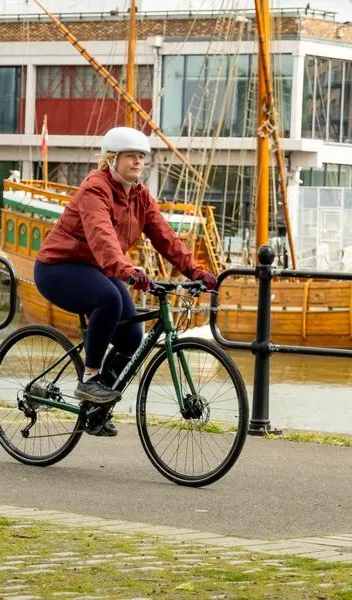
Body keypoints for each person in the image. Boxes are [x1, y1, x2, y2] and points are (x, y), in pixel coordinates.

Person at [34, 126, 217, 435]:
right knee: (109, 298)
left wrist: (196, 271)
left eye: (142, 157)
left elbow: (165, 237)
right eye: (131, 156)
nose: (138, 163)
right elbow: (101, 234)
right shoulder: (96, 188)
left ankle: (95, 411)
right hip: (59, 267)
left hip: (100, 269)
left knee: (133, 336)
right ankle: (90, 380)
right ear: (112, 159)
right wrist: (128, 271)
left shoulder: (140, 196)